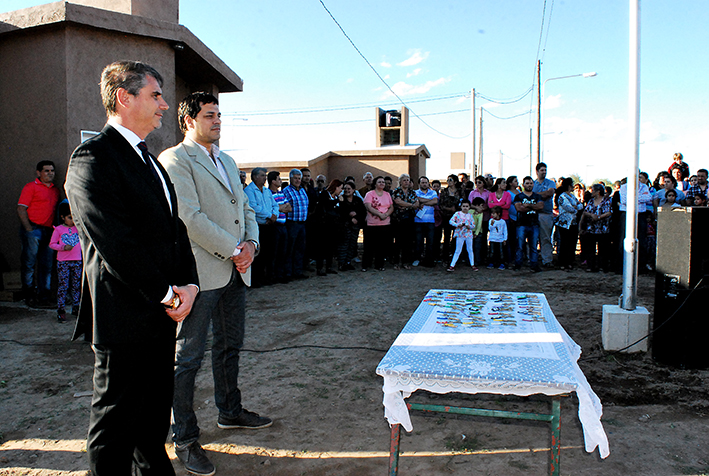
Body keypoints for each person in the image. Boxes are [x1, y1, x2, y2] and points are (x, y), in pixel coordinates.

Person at [65, 61, 199, 476]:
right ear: (124, 97)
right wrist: (168, 293)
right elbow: (115, 243)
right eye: (155, 95)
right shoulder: (93, 158)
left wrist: (190, 284)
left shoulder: (151, 162)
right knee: (114, 429)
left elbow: (175, 230)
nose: (164, 105)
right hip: (123, 319)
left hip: (162, 315)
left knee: (152, 426)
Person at [158, 91, 270, 476]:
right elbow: (188, 215)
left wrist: (251, 245)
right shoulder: (174, 159)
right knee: (186, 359)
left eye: (220, 115)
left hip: (236, 270)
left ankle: (230, 411)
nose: (218, 121)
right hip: (199, 275)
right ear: (189, 121)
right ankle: (185, 439)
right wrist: (234, 248)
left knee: (229, 346)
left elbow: (246, 208)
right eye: (210, 116)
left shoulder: (227, 160)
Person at [17, 160, 60, 308]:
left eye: (52, 171)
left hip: (49, 231)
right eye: (46, 171)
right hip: (33, 230)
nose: (50, 173)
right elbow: (21, 209)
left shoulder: (55, 190)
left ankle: (44, 297)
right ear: (38, 173)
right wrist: (28, 228)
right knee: (29, 264)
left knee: (46, 265)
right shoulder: (30, 187)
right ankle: (29, 296)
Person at [244, 167, 279, 287]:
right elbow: (254, 208)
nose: (265, 178)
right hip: (259, 226)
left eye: (265, 175)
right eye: (263, 175)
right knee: (260, 255)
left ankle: (268, 277)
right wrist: (270, 215)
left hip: (270, 226)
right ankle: (256, 280)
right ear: (255, 177)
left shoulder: (267, 191)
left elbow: (275, 205)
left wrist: (274, 215)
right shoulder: (249, 191)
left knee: (271, 253)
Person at [48, 202, 81, 322]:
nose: (72, 220)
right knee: (63, 285)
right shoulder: (59, 230)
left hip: (77, 260)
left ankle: (76, 307)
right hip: (63, 261)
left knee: (76, 285)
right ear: (62, 217)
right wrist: (62, 248)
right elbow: (52, 244)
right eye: (69, 217)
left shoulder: (78, 228)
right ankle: (61, 309)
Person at [362, 176, 393, 271]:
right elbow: (368, 207)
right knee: (369, 246)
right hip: (372, 224)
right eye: (379, 182)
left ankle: (379, 265)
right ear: (375, 184)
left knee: (381, 246)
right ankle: (366, 265)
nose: (382, 183)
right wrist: (379, 214)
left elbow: (391, 207)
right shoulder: (369, 194)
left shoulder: (387, 194)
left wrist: (386, 214)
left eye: (383, 182)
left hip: (385, 223)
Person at [283, 169, 310, 280]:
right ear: (290, 178)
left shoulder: (303, 190)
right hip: (291, 223)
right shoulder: (286, 191)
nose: (298, 180)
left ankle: (297, 272)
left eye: (299, 178)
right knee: (290, 249)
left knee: (300, 249)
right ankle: (288, 273)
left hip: (302, 224)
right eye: (295, 178)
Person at [579, 184, 613, 272]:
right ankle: (591, 266)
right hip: (591, 228)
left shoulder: (607, 201)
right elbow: (586, 212)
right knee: (590, 249)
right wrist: (591, 215)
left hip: (603, 228)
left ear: (598, 191)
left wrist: (599, 217)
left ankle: (603, 266)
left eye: (593, 190)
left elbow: (609, 212)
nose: (591, 192)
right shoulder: (590, 201)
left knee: (603, 249)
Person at [514, 176, 544, 272]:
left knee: (534, 246)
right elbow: (519, 208)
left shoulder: (537, 196)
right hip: (521, 224)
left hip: (534, 224)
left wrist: (528, 205)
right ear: (523, 185)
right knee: (520, 245)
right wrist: (533, 207)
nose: (529, 185)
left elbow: (541, 206)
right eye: (527, 183)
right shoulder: (519, 196)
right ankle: (518, 264)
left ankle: (534, 265)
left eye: (531, 183)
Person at [314, 179, 343, 275]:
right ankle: (320, 268)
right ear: (336, 187)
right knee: (322, 248)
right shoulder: (324, 194)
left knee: (331, 247)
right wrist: (337, 201)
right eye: (341, 188)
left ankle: (329, 267)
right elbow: (326, 206)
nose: (341, 190)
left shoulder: (337, 197)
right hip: (323, 226)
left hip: (333, 226)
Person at [390, 173, 419, 270]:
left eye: (408, 180)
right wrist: (411, 205)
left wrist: (406, 205)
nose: (407, 182)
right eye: (404, 180)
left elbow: (417, 203)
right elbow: (398, 202)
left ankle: (406, 262)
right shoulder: (396, 191)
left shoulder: (412, 192)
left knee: (408, 241)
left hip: (409, 219)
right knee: (398, 241)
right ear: (400, 182)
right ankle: (396, 262)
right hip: (398, 219)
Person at [268, 171, 292, 283]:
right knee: (273, 252)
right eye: (279, 179)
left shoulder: (281, 193)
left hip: (283, 225)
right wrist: (279, 208)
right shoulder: (268, 194)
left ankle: (280, 275)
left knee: (283, 252)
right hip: (274, 226)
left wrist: (278, 207)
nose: (281, 181)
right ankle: (271, 276)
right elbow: (271, 209)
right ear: (273, 181)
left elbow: (289, 208)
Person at [555, 178, 583, 270]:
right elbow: (569, 208)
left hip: (573, 223)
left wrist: (575, 207)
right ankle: (563, 262)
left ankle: (570, 261)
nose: (573, 187)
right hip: (564, 224)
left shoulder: (572, 196)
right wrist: (575, 207)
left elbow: (580, 205)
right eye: (571, 185)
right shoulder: (562, 196)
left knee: (572, 243)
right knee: (564, 243)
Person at [532, 163, 556, 267]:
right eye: (542, 170)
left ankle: (547, 260)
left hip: (546, 214)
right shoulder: (533, 183)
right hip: (533, 214)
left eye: (545, 170)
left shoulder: (550, 183)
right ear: (537, 171)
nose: (544, 172)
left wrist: (535, 195)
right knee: (532, 238)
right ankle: (533, 259)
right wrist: (541, 195)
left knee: (546, 238)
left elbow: (549, 193)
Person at [338, 181, 365, 271]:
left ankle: (348, 262)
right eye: (345, 188)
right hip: (345, 226)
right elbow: (340, 212)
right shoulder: (341, 199)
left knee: (352, 244)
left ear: (353, 190)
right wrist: (349, 218)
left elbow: (363, 211)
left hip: (355, 226)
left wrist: (356, 217)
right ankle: (341, 263)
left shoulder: (358, 200)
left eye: (349, 189)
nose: (346, 190)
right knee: (344, 245)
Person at [413, 176, 438, 267]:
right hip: (418, 221)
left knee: (430, 241)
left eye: (426, 182)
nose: (424, 184)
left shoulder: (433, 192)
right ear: (419, 183)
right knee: (418, 241)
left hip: (430, 221)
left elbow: (435, 201)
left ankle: (429, 260)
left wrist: (422, 202)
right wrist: (429, 201)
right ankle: (417, 258)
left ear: (428, 183)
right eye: (422, 182)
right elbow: (416, 200)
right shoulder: (415, 192)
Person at [438, 174, 463, 262]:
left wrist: (457, 209)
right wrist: (449, 209)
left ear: (455, 182)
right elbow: (441, 204)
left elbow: (463, 202)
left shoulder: (460, 191)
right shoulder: (444, 191)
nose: (449, 181)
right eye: (448, 180)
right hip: (447, 216)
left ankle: (455, 255)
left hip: (458, 217)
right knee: (447, 236)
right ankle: (445, 256)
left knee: (456, 236)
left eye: (451, 180)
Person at [447, 199, 477, 272]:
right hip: (460, 234)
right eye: (464, 206)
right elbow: (451, 221)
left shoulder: (470, 215)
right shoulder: (457, 214)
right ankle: (452, 265)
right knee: (458, 250)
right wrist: (457, 225)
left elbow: (473, 225)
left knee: (470, 249)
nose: (465, 208)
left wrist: (469, 226)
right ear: (461, 206)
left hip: (468, 234)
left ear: (469, 207)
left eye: (467, 206)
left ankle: (472, 264)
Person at [470, 197, 486, 267]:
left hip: (475, 232)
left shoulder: (470, 212)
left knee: (474, 248)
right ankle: (475, 261)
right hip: (474, 232)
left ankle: (473, 261)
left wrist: (476, 233)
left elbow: (479, 224)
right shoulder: (471, 212)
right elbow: (479, 224)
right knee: (475, 248)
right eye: (481, 205)